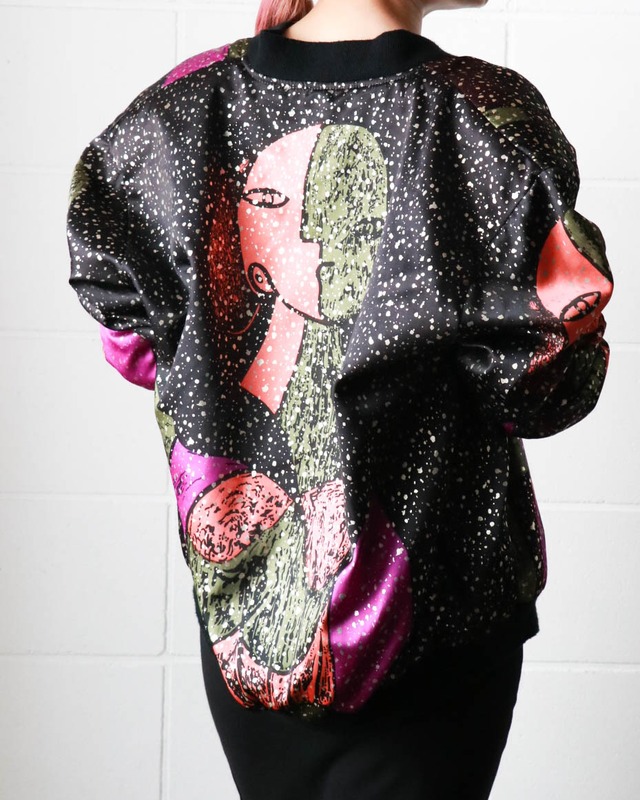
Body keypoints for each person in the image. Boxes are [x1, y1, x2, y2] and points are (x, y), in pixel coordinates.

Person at [65, 0, 614, 797]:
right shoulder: (482, 116)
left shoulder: (177, 113)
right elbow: (549, 384)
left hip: (247, 629)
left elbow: (133, 339)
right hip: (445, 629)